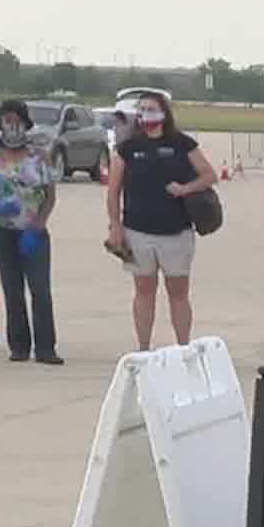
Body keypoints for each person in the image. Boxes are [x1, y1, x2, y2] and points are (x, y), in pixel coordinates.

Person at [106, 92, 217, 353]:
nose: (146, 114)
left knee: (177, 291)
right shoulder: (128, 147)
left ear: (164, 113)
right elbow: (113, 190)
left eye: (152, 109)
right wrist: (115, 225)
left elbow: (210, 175)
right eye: (142, 109)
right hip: (137, 231)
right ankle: (144, 348)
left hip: (176, 231)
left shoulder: (182, 143)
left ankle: (183, 347)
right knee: (144, 290)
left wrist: (186, 188)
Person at [0, 99, 61, 365]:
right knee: (12, 288)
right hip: (0, 230)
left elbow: (49, 195)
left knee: (40, 289)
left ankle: (46, 348)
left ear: (26, 124)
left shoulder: (39, 156)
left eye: (17, 120)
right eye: (6, 121)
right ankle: (19, 346)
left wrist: (39, 223)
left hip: (32, 231)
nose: (12, 126)